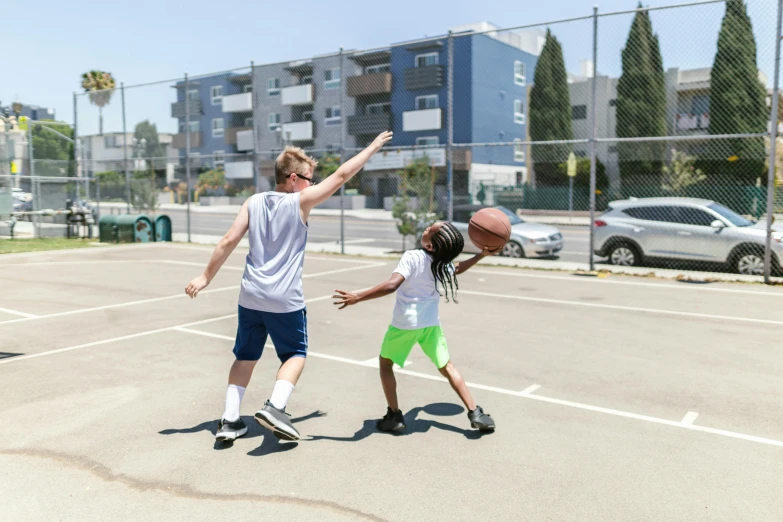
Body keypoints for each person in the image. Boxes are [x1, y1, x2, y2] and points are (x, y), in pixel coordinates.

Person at [185, 131, 393, 442]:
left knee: (245, 356)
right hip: (284, 298)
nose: (313, 183)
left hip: (251, 295)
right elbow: (343, 174)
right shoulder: (301, 201)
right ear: (293, 179)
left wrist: (205, 277)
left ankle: (229, 421)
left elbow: (229, 240)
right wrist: (373, 147)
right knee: (295, 354)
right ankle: (275, 407)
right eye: (310, 178)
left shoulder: (253, 202)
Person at [332, 221, 496, 433]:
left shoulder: (412, 257)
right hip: (430, 324)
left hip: (405, 324)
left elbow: (392, 285)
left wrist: (358, 296)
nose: (426, 228)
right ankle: (476, 413)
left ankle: (394, 416)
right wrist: (480, 255)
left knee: (385, 364)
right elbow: (457, 268)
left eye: (430, 230)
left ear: (430, 246)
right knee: (447, 367)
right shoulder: (439, 262)